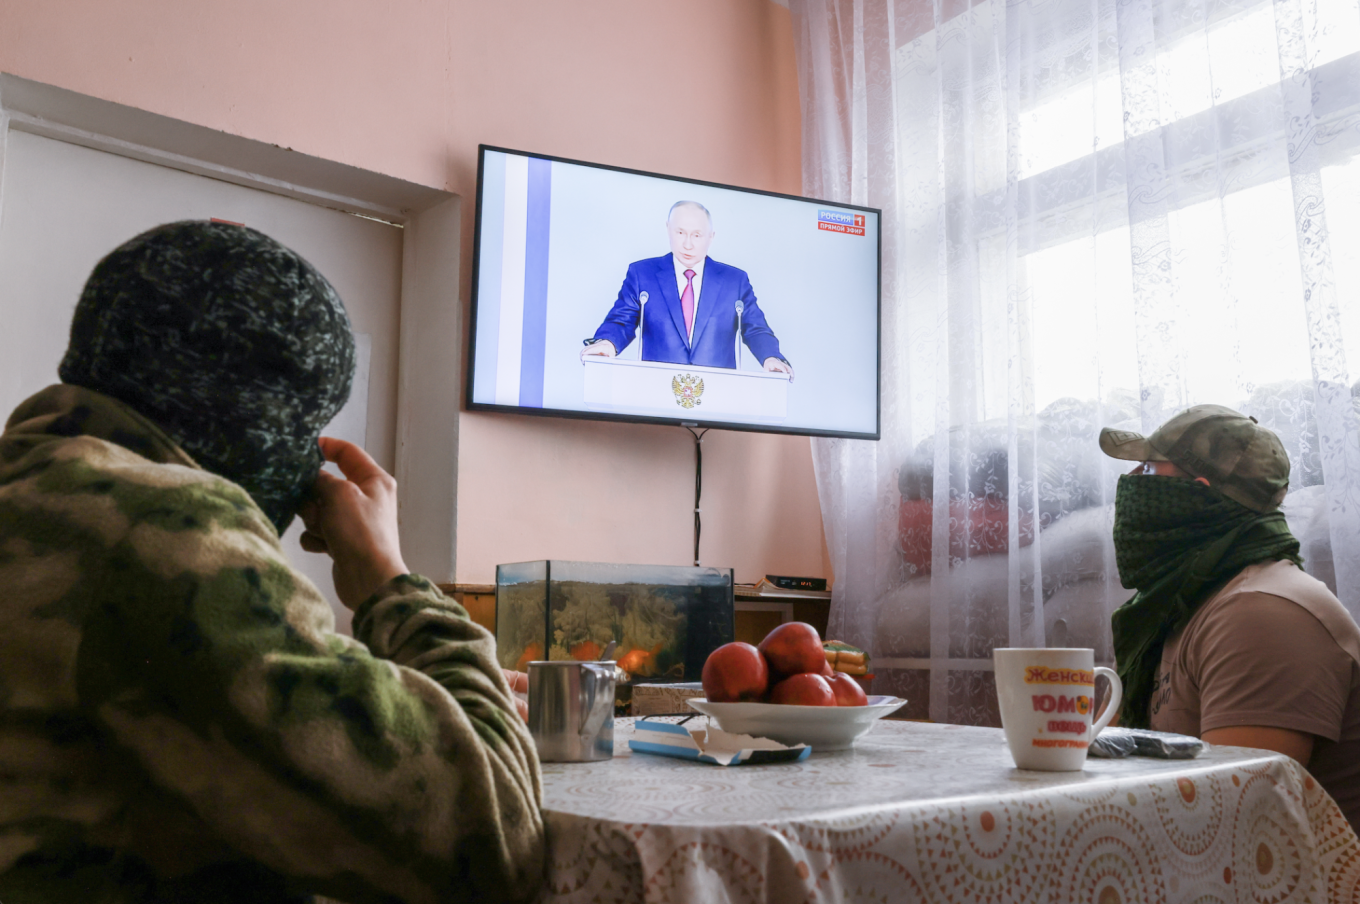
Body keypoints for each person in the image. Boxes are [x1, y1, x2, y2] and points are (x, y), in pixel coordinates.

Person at [0, 221, 544, 904]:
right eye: (306, 428)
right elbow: (494, 840)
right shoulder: (165, 527)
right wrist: (390, 582)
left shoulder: (35, 487)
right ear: (256, 418)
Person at [1101, 405, 1360, 829]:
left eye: (1147, 470)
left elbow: (1230, 824)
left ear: (1196, 493)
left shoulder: (1262, 616)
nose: (1130, 483)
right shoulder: (1176, 605)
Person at [580, 201, 794, 378]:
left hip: (717, 396)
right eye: (680, 232)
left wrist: (770, 357)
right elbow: (621, 321)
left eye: (697, 235)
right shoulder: (642, 274)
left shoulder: (735, 281)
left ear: (711, 237)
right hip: (655, 390)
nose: (688, 244)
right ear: (668, 229)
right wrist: (608, 342)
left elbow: (755, 329)